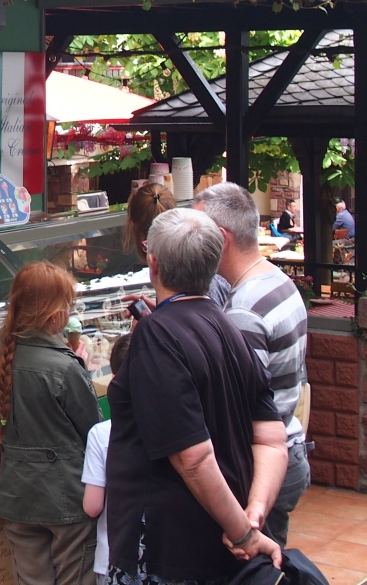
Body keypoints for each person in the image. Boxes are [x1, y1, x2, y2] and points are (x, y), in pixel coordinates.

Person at [106, 207, 288, 585]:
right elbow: (272, 438)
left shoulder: (156, 335)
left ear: (153, 263)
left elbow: (193, 457)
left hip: (167, 550)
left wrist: (244, 532)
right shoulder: (229, 326)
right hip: (219, 551)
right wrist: (252, 514)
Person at [193, 183, 311, 548]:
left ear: (222, 239)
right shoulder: (277, 279)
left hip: (260, 463)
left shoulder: (244, 310)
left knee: (257, 563)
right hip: (288, 445)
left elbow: (240, 406)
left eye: (197, 234)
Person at [0, 262, 101, 585]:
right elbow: (94, 431)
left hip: (17, 495)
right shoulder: (64, 367)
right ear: (54, 314)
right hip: (67, 497)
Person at [122, 182, 230, 312]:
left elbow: (187, 317)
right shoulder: (205, 278)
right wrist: (161, 310)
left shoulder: (176, 285)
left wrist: (155, 320)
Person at [82, 336, 131, 585]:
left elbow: (92, 507)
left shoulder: (100, 435)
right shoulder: (175, 431)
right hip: (164, 559)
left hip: (113, 556)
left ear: (114, 379)